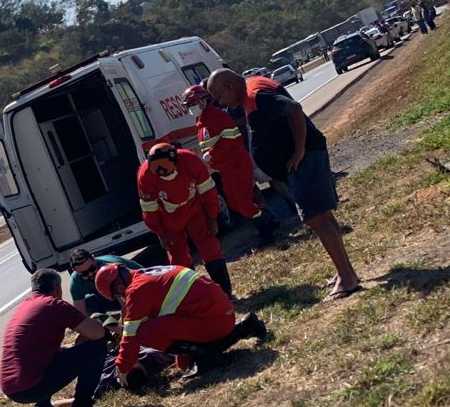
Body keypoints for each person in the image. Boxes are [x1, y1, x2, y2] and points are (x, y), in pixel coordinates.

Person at [206, 68, 363, 300]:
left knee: (315, 217)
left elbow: (293, 109)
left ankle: (347, 278)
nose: (221, 103)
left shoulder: (255, 95)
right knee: (322, 216)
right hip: (301, 161)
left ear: (229, 85)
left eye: (219, 96)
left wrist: (299, 150)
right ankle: (346, 271)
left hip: (304, 160)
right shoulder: (253, 87)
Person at [95, 262, 267, 380]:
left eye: (118, 295)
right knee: (154, 327)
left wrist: (123, 367)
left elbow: (131, 334)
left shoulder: (136, 291)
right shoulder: (146, 276)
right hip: (221, 315)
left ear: (118, 288)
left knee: (143, 331)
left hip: (214, 321)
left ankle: (206, 356)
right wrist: (184, 358)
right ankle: (245, 327)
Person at [0, 269, 117, 407]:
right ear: (57, 288)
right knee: (98, 346)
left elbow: (36, 351)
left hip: (12, 388)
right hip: (32, 385)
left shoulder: (25, 306)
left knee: (59, 355)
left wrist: (71, 350)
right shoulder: (53, 304)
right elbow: (96, 334)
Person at [184, 83, 279, 247]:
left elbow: (233, 138)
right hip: (225, 169)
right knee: (234, 203)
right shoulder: (201, 122)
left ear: (204, 100)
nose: (192, 108)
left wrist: (212, 154)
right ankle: (267, 218)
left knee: (244, 203)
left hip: (236, 165)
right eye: (189, 105)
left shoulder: (216, 116)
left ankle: (266, 232)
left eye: (193, 103)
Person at [135, 142, 235, 298]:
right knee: (178, 257)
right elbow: (149, 209)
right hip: (168, 217)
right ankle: (194, 296)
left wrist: (212, 217)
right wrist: (160, 233)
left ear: (176, 161)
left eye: (168, 172)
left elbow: (208, 190)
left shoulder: (190, 161)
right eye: (160, 174)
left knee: (210, 247)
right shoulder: (144, 175)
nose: (165, 176)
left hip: (195, 209)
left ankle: (225, 293)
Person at [67, 247, 141, 314]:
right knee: (89, 303)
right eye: (84, 273)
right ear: (75, 271)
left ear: (94, 259)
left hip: (138, 289)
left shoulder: (110, 269)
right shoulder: (75, 281)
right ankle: (106, 326)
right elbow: (81, 313)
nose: (90, 274)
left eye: (92, 269)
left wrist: (125, 326)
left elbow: (125, 303)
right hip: (113, 296)